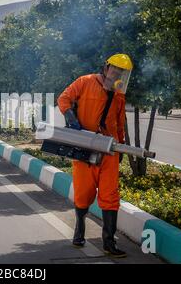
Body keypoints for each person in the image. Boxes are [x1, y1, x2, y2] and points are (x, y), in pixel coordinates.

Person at [57, 54, 133, 258]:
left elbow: (118, 122)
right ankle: (79, 229)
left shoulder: (119, 95)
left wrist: (122, 145)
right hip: (84, 148)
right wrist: (71, 118)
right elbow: (63, 99)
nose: (118, 74)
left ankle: (109, 242)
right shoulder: (85, 82)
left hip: (109, 151)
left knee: (110, 195)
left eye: (122, 73)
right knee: (83, 194)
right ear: (106, 67)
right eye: (115, 69)